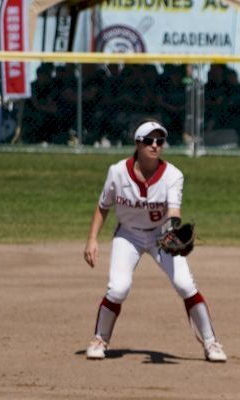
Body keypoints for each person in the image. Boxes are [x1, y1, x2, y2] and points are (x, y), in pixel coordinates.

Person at [83, 120, 227, 363]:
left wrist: (171, 231)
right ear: (138, 143)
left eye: (160, 141)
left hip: (161, 236)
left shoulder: (173, 175)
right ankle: (99, 339)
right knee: (118, 288)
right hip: (127, 234)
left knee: (184, 284)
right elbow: (103, 206)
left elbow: (174, 210)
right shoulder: (117, 172)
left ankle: (211, 343)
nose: (155, 145)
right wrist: (92, 239)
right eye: (149, 140)